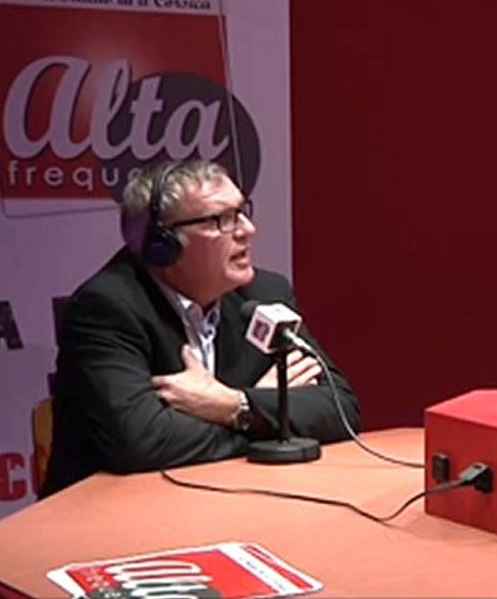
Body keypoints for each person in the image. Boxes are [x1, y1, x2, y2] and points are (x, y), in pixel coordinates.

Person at [41, 159, 360, 497]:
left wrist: (233, 404)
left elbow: (341, 409)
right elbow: (142, 443)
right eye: (221, 219)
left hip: (229, 500)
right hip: (110, 513)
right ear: (163, 245)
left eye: (242, 211)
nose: (247, 229)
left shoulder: (264, 294)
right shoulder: (107, 309)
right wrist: (262, 418)